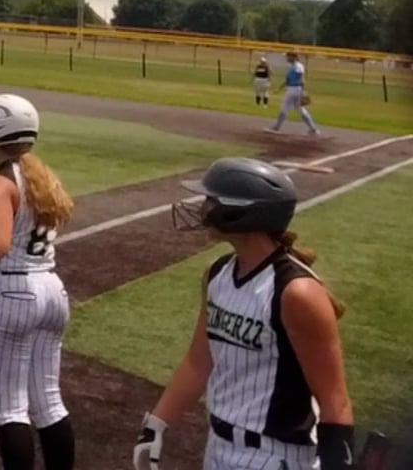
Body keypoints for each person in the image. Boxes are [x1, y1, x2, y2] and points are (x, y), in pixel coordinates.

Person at [133, 157, 356, 470]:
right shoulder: (218, 274)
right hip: (218, 448)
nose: (203, 208)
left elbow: (335, 400)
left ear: (241, 211)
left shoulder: (296, 293)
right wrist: (155, 425)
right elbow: (199, 362)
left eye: (212, 200)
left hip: (275, 457)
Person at [0, 94, 77, 470]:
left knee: (9, 409)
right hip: (51, 290)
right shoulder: (43, 177)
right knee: (49, 402)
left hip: (6, 294)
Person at [270, 50, 319, 135]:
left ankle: (276, 127)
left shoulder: (298, 66)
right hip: (293, 89)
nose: (286, 58)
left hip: (295, 89)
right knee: (300, 109)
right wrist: (279, 88)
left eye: (288, 56)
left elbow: (301, 78)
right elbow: (287, 80)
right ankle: (313, 129)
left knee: (285, 107)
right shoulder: (290, 66)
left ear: (293, 57)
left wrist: (303, 90)